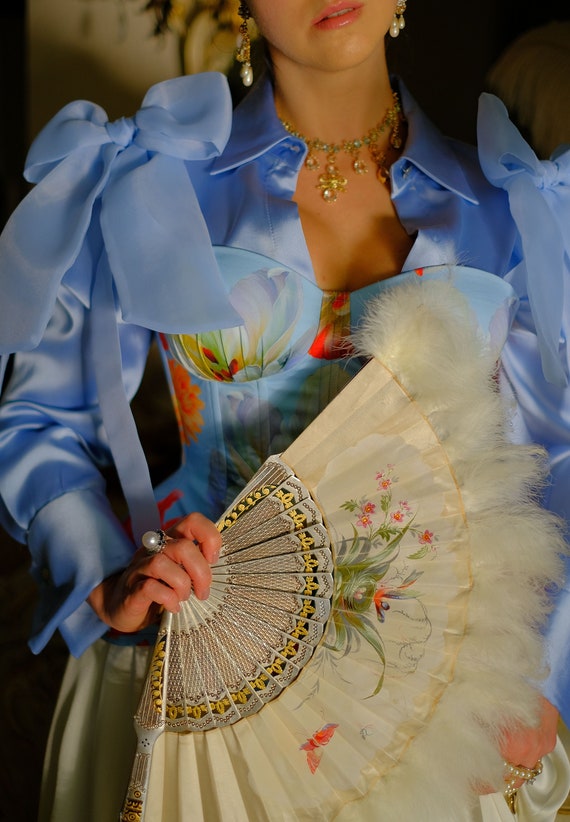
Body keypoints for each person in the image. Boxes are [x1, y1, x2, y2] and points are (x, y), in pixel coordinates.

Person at [0, 1, 569, 820]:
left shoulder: (511, 205)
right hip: (202, 689)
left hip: (438, 710)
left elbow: (550, 469)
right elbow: (38, 420)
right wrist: (105, 579)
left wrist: (536, 678)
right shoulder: (146, 185)